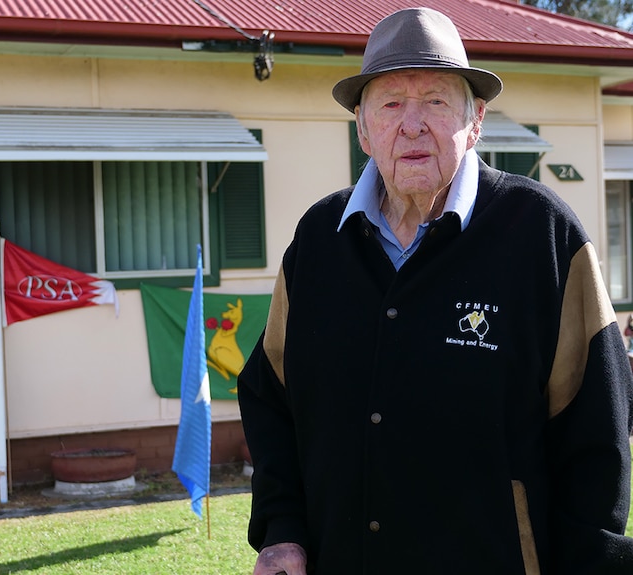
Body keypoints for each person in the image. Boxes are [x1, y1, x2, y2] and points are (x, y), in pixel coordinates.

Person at [237, 7, 633, 575]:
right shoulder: (318, 241)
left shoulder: (543, 232)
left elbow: (598, 432)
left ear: (475, 122)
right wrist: (281, 531)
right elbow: (269, 397)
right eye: (391, 103)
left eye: (437, 101)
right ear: (364, 130)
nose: (413, 124)